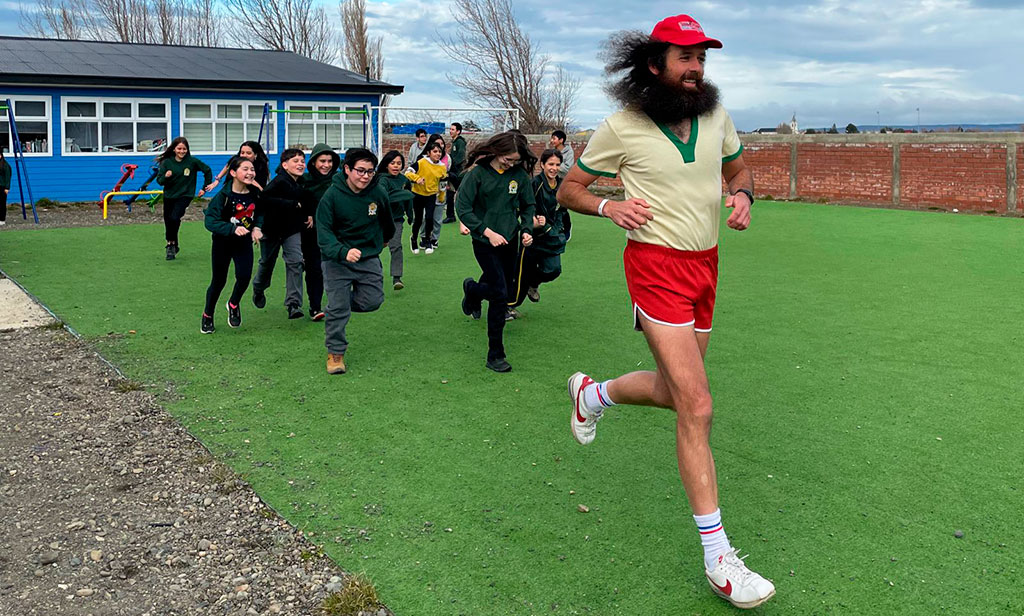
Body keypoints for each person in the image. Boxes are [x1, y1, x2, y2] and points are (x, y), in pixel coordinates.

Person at [556, 15, 773, 610]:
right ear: (655, 64)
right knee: (698, 404)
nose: (697, 68)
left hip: (706, 266)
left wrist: (743, 195)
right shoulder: (620, 127)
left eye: (702, 58)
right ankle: (719, 557)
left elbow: (738, 170)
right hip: (654, 268)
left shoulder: (716, 118)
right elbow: (569, 189)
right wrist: (608, 207)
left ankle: (592, 395)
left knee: (679, 395)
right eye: (685, 57)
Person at [456, 131, 536, 373]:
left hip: (511, 240)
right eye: (508, 159)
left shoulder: (519, 176)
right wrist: (487, 232)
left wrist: (526, 228)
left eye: (515, 161)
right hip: (484, 241)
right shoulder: (477, 174)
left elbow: (528, 204)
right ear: (497, 151)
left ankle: (472, 290)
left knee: (499, 286)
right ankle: (495, 354)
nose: (511, 164)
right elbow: (463, 207)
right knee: (500, 294)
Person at [316, 148, 394, 375]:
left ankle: (334, 306)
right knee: (339, 308)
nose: (365, 176)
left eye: (370, 171)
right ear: (347, 169)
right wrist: (342, 251)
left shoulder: (377, 193)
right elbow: (324, 234)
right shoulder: (331, 196)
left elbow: (387, 221)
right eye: (360, 170)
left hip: (367, 257)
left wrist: (383, 240)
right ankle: (336, 353)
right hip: (336, 260)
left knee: (373, 301)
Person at [200, 155, 263, 334]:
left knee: (244, 277)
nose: (250, 173)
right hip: (222, 243)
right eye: (245, 169)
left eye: (252, 169)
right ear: (234, 173)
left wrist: (257, 228)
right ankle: (207, 315)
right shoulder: (223, 196)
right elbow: (210, 221)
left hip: (243, 244)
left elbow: (260, 213)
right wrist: (231, 229)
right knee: (218, 281)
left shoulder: (255, 194)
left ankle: (233, 303)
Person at [252, 149, 314, 320]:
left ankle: (293, 304)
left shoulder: (301, 182)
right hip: (271, 230)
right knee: (266, 263)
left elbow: (306, 199)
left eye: (302, 161)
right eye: (295, 161)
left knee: (296, 262)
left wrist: (308, 213)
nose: (300, 164)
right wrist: (292, 204)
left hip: (291, 230)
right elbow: (264, 200)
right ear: (285, 165)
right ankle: (258, 287)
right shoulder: (279, 182)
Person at [519, 148, 571, 304]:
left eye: (557, 164)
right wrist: (532, 221)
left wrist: (554, 229)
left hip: (551, 236)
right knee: (519, 274)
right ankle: (508, 306)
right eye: (550, 164)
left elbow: (562, 211)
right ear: (542, 165)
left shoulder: (562, 186)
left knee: (553, 270)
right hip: (531, 237)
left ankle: (533, 284)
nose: (554, 168)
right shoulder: (535, 183)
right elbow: (526, 206)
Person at [299, 143, 340, 320]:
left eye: (330, 161)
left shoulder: (339, 180)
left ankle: (338, 303)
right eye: (322, 161)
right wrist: (307, 213)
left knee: (336, 268)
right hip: (311, 233)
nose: (326, 165)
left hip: (335, 233)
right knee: (314, 269)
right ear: (314, 162)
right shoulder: (304, 180)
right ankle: (315, 307)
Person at [156, 137, 213, 260]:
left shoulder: (192, 162)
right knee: (169, 220)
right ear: (174, 149)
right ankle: (172, 243)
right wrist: (166, 176)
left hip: (185, 195)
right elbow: (160, 181)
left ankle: (170, 244)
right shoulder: (167, 162)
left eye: (184, 149)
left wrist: (204, 187)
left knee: (175, 217)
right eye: (179, 149)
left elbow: (207, 170)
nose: (182, 151)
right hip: (169, 195)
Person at [376, 150, 415, 290]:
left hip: (396, 220)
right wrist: (403, 194)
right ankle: (374, 274)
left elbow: (408, 199)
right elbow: (384, 198)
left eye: (399, 163)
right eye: (392, 163)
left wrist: (410, 215)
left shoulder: (404, 180)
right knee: (376, 248)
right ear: (386, 165)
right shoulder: (382, 180)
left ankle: (397, 277)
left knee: (396, 246)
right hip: (379, 220)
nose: (396, 166)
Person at [404, 141, 447, 255]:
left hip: (431, 195)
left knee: (429, 218)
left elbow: (443, 182)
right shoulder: (422, 162)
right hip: (418, 194)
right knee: (418, 219)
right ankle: (414, 239)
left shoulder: (442, 167)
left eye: (439, 152)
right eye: (435, 151)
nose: (438, 154)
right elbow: (408, 172)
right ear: (429, 153)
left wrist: (442, 195)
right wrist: (417, 178)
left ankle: (427, 240)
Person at [443, 122, 467, 223]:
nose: (450, 131)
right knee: (450, 193)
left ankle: (467, 216)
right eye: (450, 129)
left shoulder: (460, 142)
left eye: (453, 129)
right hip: (454, 173)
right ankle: (451, 215)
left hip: (458, 174)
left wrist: (453, 166)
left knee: (462, 195)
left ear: (458, 131)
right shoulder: (454, 142)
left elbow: (460, 157)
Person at [0, 148, 10, 226]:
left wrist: (7, 187)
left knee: (2, 203)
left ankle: (2, 219)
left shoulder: (5, 165)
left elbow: (7, 177)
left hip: (2, 187)